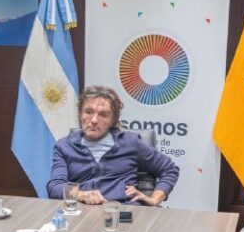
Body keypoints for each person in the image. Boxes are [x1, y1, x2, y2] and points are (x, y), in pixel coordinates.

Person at [46, 85, 180, 206]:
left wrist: (154, 199)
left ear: (113, 120)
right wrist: (81, 194)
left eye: (103, 115)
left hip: (124, 209)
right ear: (80, 114)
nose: (93, 120)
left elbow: (169, 169)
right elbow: (54, 187)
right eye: (88, 112)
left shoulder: (130, 143)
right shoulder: (64, 146)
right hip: (81, 210)